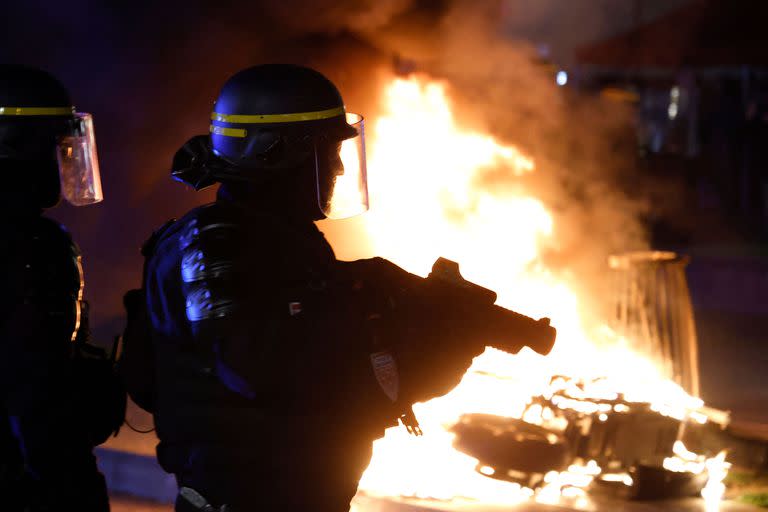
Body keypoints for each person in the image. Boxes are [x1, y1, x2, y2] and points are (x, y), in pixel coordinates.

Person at [122, 64, 554, 512]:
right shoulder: (217, 249)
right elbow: (290, 381)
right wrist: (430, 352)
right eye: (328, 151)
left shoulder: (278, 243)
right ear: (278, 152)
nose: (339, 166)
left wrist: (415, 313)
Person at [0, 64, 123, 511]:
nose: (66, 159)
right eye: (56, 144)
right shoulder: (34, 243)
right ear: (21, 148)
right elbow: (34, 393)